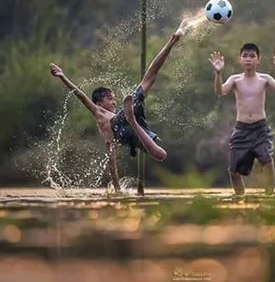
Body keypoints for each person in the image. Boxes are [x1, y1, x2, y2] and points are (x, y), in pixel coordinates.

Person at [50, 19, 190, 193]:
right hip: (123, 125)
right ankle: (131, 119)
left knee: (150, 78)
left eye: (114, 98)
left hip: (129, 122)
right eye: (110, 98)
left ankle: (174, 39)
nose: (113, 101)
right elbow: (80, 95)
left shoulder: (116, 111)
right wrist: (63, 76)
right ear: (99, 102)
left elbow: (111, 156)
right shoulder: (99, 114)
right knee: (161, 155)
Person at [209, 43, 275, 195]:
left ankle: (269, 196)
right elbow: (220, 92)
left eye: (252, 56)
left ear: (258, 60)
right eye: (245, 56)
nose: (248, 59)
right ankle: (240, 198)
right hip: (241, 129)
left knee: (267, 160)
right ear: (240, 60)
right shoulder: (235, 80)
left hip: (261, 129)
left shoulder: (264, 79)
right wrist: (218, 73)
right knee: (233, 171)